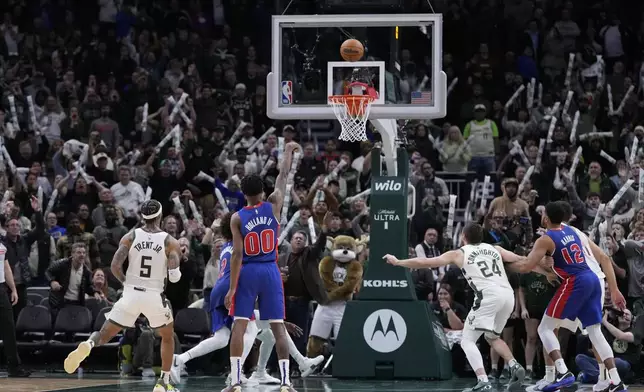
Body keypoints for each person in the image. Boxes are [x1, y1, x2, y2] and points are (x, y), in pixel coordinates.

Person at [384, 223, 549, 392]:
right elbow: (523, 260)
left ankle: (483, 381)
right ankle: (514, 365)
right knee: (492, 337)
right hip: (507, 296)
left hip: (488, 296)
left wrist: (398, 262)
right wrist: (547, 272)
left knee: (467, 340)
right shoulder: (495, 249)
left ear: (463, 237)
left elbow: (425, 261)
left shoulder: (459, 253)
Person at [170, 212, 323, 385]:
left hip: (219, 291)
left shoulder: (228, 245)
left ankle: (181, 359)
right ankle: (235, 375)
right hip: (231, 290)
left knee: (229, 338)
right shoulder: (240, 245)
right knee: (251, 330)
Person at [62, 199, 182, 392]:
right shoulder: (170, 241)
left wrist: (127, 283)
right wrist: (176, 265)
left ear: (143, 216)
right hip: (154, 295)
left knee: (104, 335)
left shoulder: (130, 236)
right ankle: (163, 382)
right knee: (167, 337)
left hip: (130, 294)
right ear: (159, 216)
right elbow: (175, 277)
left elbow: (115, 266)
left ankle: (88, 343)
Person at [521, 201, 627, 392]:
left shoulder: (556, 235)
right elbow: (603, 258)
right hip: (597, 282)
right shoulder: (576, 233)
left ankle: (555, 375)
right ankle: (609, 379)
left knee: (548, 327)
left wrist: (543, 263)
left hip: (578, 282)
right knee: (593, 332)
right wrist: (614, 288)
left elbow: (542, 264)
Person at [223, 141, 301, 392]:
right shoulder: (274, 203)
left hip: (248, 271)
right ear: (262, 190)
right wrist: (288, 151)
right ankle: (286, 382)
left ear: (243, 194)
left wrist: (232, 288)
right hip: (270, 269)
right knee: (278, 327)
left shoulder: (237, 217)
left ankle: (235, 380)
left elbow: (237, 254)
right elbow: (284, 174)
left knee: (240, 325)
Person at [0, 240, 31, 377]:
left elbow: (6, 267)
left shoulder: (2, 245)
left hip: (1, 289)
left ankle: (14, 367)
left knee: (9, 327)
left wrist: (13, 289)